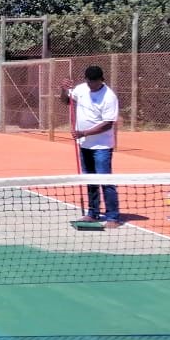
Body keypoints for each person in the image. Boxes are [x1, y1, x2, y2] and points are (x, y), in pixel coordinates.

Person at [62, 65, 121, 227]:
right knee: (90, 180)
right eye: (88, 82)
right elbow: (66, 100)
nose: (91, 85)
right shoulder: (81, 89)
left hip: (101, 146)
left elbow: (108, 124)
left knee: (105, 181)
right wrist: (63, 89)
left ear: (101, 80)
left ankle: (113, 217)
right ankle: (93, 213)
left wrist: (84, 133)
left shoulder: (109, 97)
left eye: (93, 82)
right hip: (84, 145)